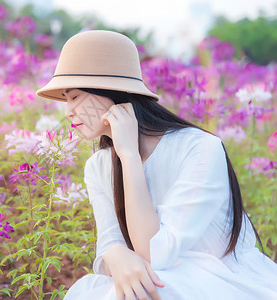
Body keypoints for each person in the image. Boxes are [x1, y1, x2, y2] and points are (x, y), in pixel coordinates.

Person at [36, 30, 277, 300]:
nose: (68, 111)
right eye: (66, 99)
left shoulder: (199, 148)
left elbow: (156, 253)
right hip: (155, 277)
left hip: (221, 281)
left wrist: (128, 156)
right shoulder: (98, 166)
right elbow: (110, 241)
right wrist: (115, 253)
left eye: (75, 97)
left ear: (110, 92)